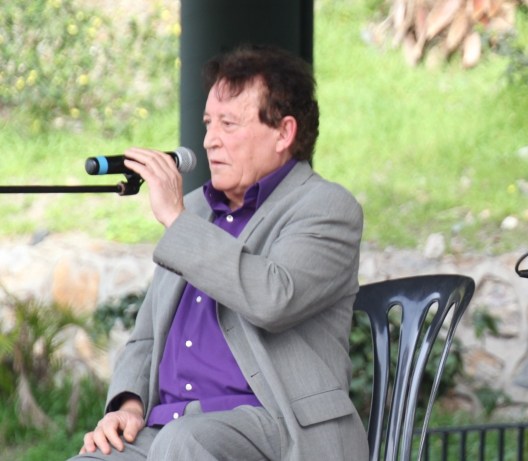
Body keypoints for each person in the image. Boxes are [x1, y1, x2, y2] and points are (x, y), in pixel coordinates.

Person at [72, 44, 368, 460]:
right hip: (168, 430)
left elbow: (274, 299)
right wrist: (129, 405)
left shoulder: (324, 208)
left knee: (185, 442)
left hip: (278, 429)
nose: (210, 140)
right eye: (209, 123)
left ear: (284, 133)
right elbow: (146, 335)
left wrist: (177, 222)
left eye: (229, 124)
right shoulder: (195, 210)